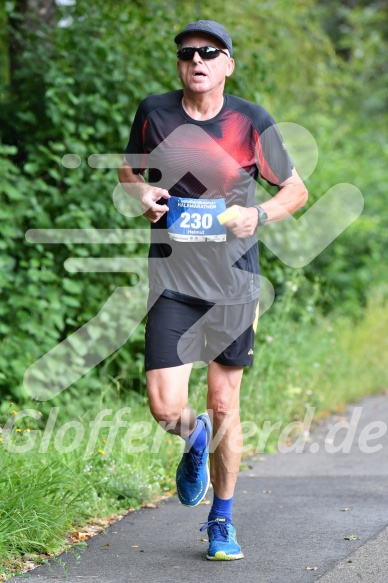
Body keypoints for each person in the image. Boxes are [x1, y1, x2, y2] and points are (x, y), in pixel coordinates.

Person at [119, 20, 308, 561]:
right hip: (173, 281)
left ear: (228, 63)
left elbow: (295, 189)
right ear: (179, 64)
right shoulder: (154, 112)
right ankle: (192, 438)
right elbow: (131, 173)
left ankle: (220, 521)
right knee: (164, 406)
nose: (196, 60)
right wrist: (144, 193)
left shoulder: (251, 121)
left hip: (232, 284)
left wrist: (258, 213)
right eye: (187, 53)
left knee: (224, 402)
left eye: (210, 52)